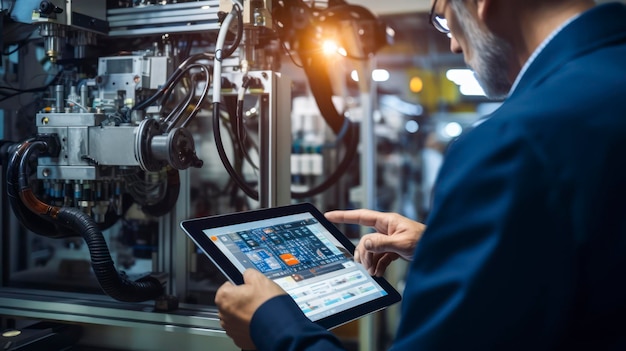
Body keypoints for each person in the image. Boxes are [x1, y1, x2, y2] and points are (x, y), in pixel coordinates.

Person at [215, 0, 626, 349]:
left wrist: (273, 324)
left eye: (445, 15)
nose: (450, 40)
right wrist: (448, 247)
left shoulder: (512, 141)